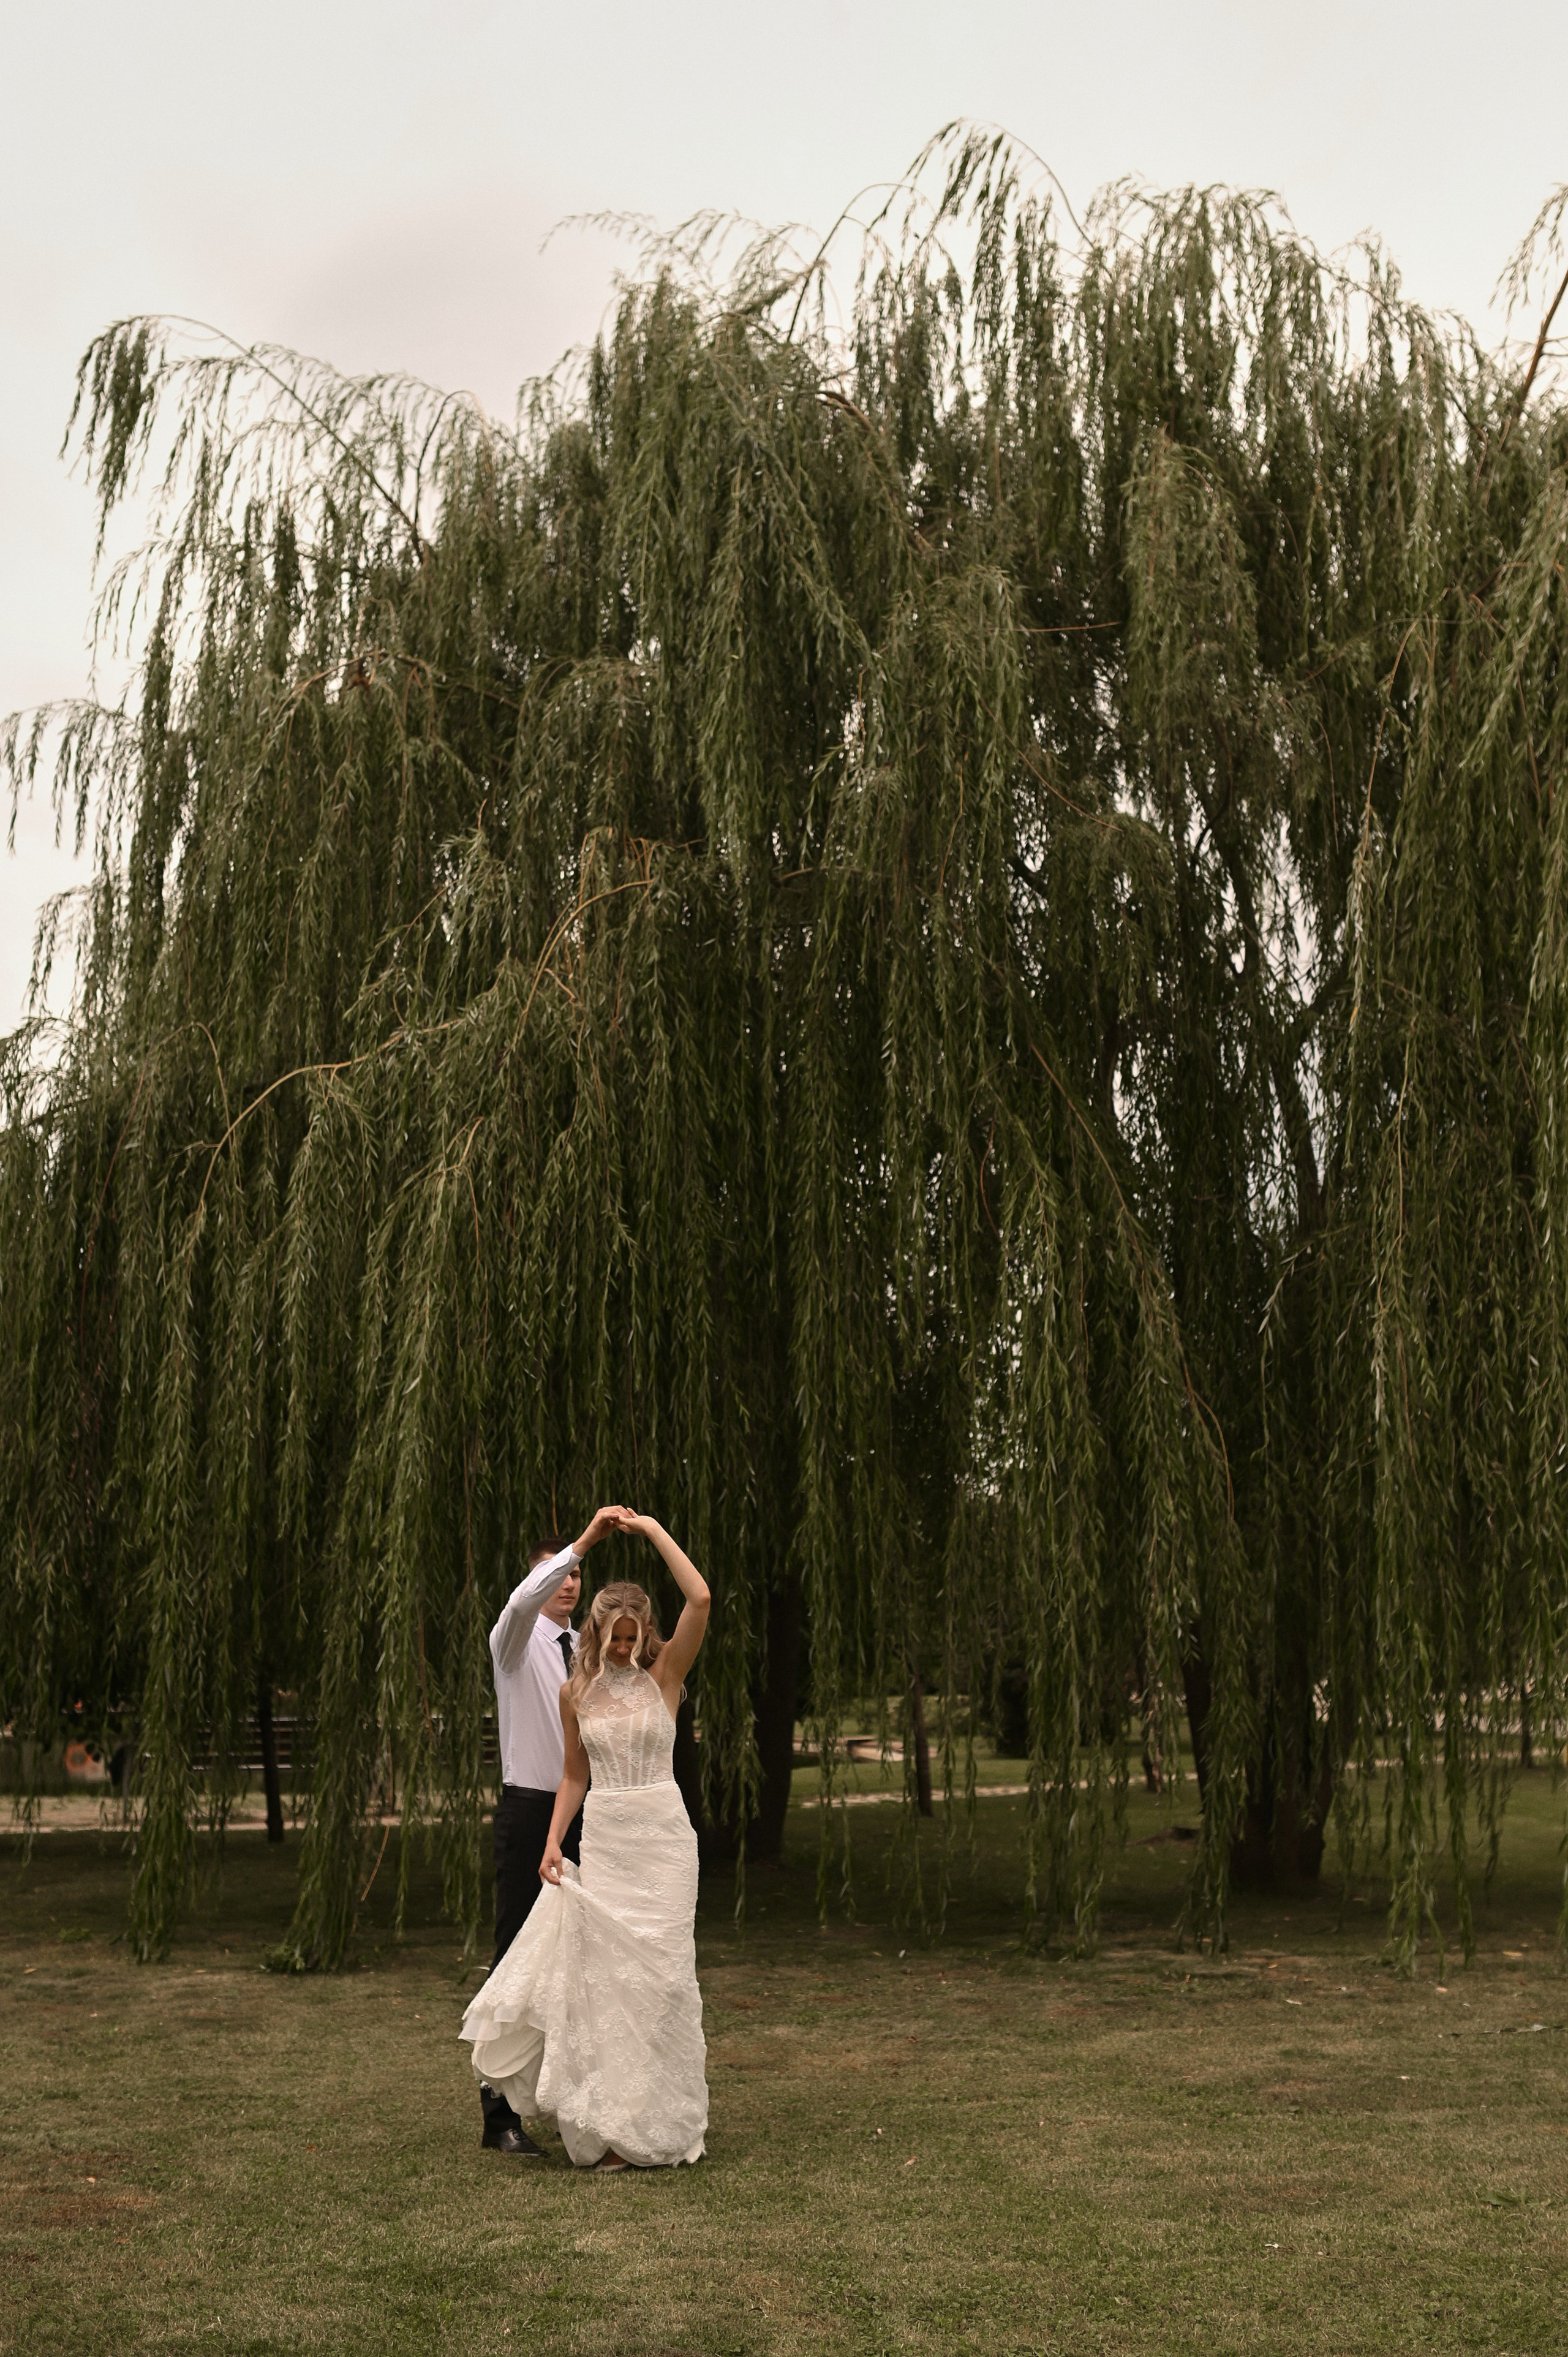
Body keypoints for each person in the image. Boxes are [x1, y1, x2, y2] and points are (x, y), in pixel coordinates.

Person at [460, 1509, 711, 2169]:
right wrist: (552, 1840)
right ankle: (570, 2118)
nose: (627, 1647)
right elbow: (575, 1771)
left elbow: (702, 1597)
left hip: (660, 1834)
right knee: (595, 1976)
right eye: (618, 1637)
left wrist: (655, 1530)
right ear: (602, 1631)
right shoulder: (561, 1677)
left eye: (636, 1635)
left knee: (662, 1980)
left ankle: (661, 2117)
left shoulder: (664, 1676)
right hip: (593, 1827)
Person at [477, 1503, 625, 2157]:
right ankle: (498, 2115)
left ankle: (581, 2099)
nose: (569, 1582)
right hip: (529, 1807)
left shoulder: (591, 1652)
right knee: (514, 1951)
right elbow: (520, 1600)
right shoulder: (512, 1642)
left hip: (586, 1811)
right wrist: (582, 1541)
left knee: (584, 1958)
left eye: (576, 1574)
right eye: (557, 1573)